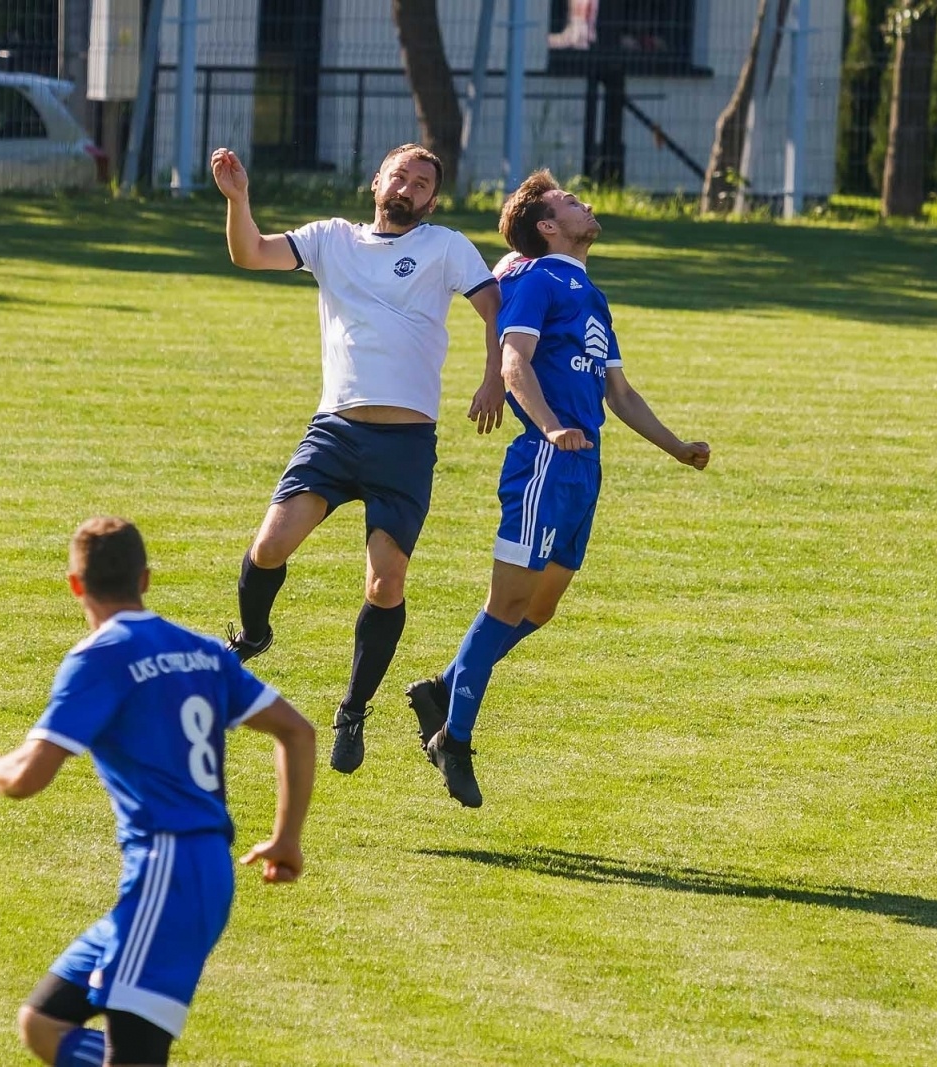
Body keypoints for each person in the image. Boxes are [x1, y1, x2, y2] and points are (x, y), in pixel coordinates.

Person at [0, 517, 315, 1067]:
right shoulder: (202, 651)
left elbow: (27, 778)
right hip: (200, 872)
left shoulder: (99, 657)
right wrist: (286, 838)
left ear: (75, 584)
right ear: (145, 579)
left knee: (134, 1058)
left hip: (166, 871)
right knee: (44, 1023)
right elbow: (297, 731)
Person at [406, 170, 712, 809]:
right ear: (548, 227)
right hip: (546, 462)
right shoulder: (541, 278)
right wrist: (550, 428)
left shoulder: (591, 294)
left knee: (539, 608)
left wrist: (678, 447)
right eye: (571, 201)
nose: (588, 204)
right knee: (505, 604)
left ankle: (446, 685)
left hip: (582, 471)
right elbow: (515, 360)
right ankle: (452, 739)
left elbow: (619, 393)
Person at [209, 142, 506, 776]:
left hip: (404, 445)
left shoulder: (446, 246)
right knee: (269, 546)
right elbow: (251, 253)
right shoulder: (330, 239)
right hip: (335, 431)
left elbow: (493, 306)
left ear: (432, 200)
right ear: (377, 181)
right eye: (400, 175)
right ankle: (254, 634)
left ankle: (353, 708)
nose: (408, 187)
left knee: (385, 583)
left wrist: (494, 378)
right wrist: (239, 201)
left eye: (422, 183)